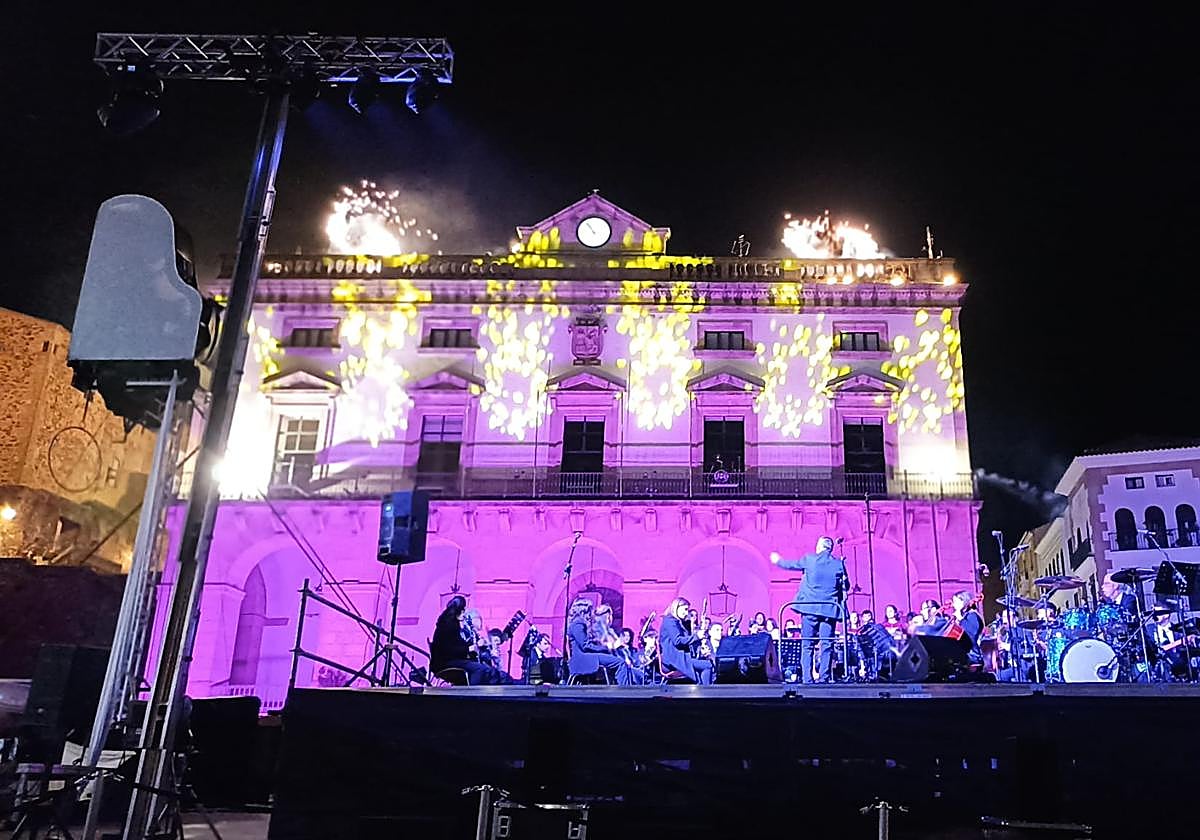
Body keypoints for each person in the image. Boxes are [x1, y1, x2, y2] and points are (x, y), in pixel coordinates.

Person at [771, 536, 849, 683]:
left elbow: (791, 565)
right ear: (830, 548)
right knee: (827, 645)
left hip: (810, 608)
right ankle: (824, 678)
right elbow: (847, 587)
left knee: (807, 645)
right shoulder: (838, 564)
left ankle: (807, 679)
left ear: (820, 547)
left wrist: (777, 560)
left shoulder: (810, 559)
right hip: (829, 610)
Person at [429, 596, 514, 685]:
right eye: (463, 610)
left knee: (488, 670)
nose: (464, 613)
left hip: (450, 660)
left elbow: (457, 644)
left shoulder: (451, 623)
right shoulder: (447, 626)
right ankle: (472, 692)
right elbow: (448, 650)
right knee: (480, 669)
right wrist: (468, 649)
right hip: (444, 663)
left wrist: (470, 646)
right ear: (458, 611)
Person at [567, 599, 633, 685]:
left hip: (585, 656)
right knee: (620, 663)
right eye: (591, 610)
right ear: (585, 611)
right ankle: (624, 689)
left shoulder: (578, 624)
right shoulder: (578, 624)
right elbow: (585, 646)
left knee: (616, 661)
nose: (592, 614)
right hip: (582, 658)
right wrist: (607, 647)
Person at [660, 597, 714, 684]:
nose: (686, 613)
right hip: (674, 658)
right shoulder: (670, 621)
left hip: (679, 657)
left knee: (700, 674)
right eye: (685, 609)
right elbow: (677, 641)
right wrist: (696, 636)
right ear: (676, 607)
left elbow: (685, 640)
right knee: (707, 665)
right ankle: (705, 690)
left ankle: (702, 689)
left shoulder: (676, 622)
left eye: (687, 610)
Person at [951, 591, 984, 667]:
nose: (953, 605)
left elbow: (973, 632)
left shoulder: (972, 615)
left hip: (972, 655)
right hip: (963, 654)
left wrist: (960, 619)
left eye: (955, 601)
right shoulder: (963, 616)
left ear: (963, 601)